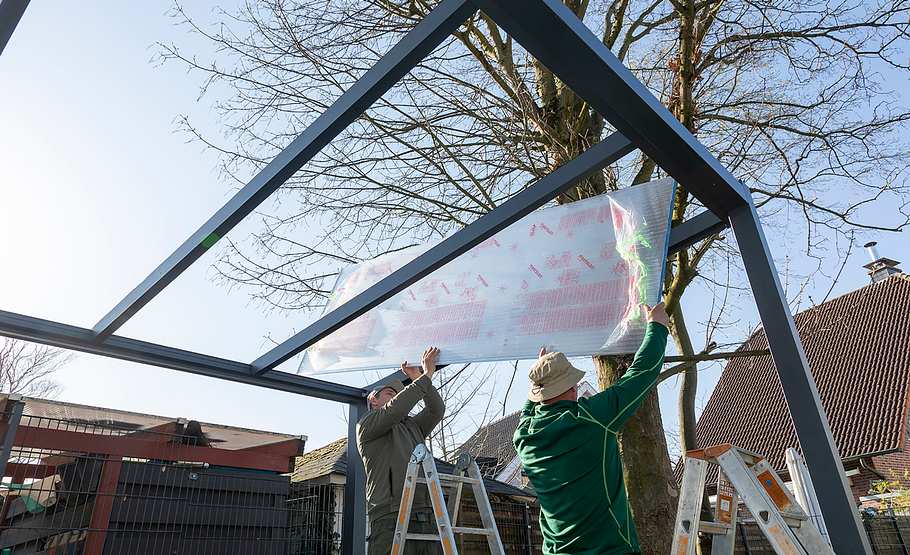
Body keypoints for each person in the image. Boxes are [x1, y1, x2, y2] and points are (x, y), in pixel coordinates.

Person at [513, 302, 670, 555]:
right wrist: (657, 327)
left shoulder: (524, 437)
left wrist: (543, 371)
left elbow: (531, 408)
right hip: (610, 549)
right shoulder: (591, 418)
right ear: (572, 387)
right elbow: (641, 374)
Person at [357, 346, 446, 555]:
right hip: (390, 516)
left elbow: (436, 410)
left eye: (397, 394)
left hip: (423, 513)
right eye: (390, 394)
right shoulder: (367, 425)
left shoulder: (412, 426)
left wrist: (418, 379)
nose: (396, 397)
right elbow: (396, 408)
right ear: (373, 400)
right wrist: (427, 375)